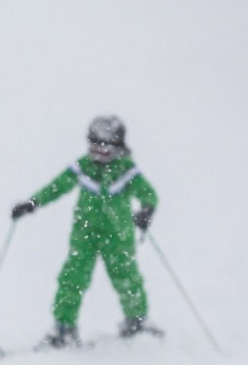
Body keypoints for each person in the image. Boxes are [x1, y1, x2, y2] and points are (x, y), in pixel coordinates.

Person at [11, 115, 160, 346]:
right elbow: (57, 186)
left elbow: (148, 193)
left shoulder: (126, 171)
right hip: (85, 234)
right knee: (72, 278)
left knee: (126, 278)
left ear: (118, 148)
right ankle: (64, 326)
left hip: (118, 237)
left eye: (104, 148)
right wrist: (33, 203)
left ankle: (137, 320)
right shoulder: (83, 167)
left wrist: (146, 210)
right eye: (93, 146)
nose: (97, 153)